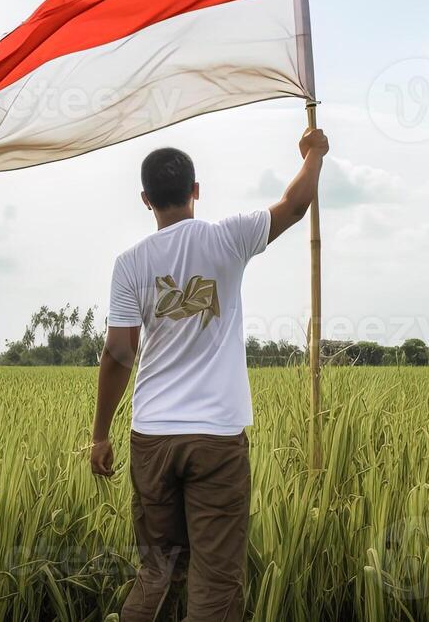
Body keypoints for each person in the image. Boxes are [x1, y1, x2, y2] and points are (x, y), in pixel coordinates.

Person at [89, 126, 329, 622]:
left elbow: (118, 352)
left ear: (146, 199)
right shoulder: (229, 237)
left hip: (151, 436)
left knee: (158, 571)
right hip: (217, 437)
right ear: (196, 190)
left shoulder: (130, 263)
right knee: (216, 579)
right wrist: (314, 155)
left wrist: (99, 434)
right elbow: (295, 204)